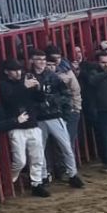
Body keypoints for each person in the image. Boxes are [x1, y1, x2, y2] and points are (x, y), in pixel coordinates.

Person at [0, 58, 50, 198]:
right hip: (16, 125)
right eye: (14, 70)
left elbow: (40, 99)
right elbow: (9, 100)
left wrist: (38, 88)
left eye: (19, 69)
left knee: (37, 156)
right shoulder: (4, 84)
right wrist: (24, 87)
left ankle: (36, 183)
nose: (18, 73)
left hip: (32, 123)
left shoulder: (25, 81)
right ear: (7, 72)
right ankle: (10, 180)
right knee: (20, 160)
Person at [30, 54, 83, 188]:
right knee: (40, 149)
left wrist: (60, 109)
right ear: (32, 61)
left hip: (54, 115)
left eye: (43, 60)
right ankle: (43, 177)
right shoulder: (29, 77)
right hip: (39, 118)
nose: (42, 62)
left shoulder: (53, 77)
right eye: (39, 60)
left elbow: (66, 95)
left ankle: (72, 174)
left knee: (65, 146)